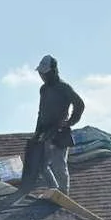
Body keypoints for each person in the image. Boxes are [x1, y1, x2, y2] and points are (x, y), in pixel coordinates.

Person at [30, 55, 84, 194]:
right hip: (46, 132)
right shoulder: (44, 89)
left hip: (59, 132)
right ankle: (55, 191)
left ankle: (63, 194)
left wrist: (69, 122)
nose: (43, 76)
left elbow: (79, 104)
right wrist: (37, 134)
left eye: (45, 73)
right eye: (41, 74)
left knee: (59, 165)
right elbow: (41, 112)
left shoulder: (63, 88)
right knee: (41, 165)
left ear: (53, 71)